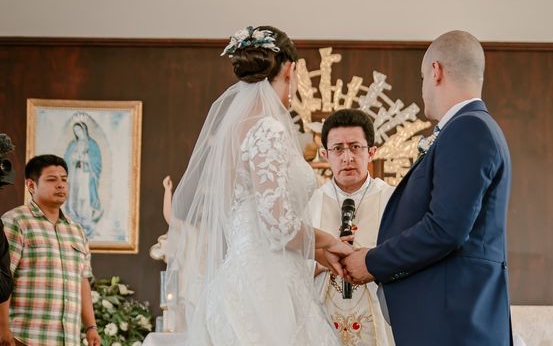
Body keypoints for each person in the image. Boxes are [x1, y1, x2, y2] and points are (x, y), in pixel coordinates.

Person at [165, 26, 351, 345]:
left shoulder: (233, 132)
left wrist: (317, 252)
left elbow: (248, 216)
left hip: (240, 278)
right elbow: (278, 227)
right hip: (269, 287)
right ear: (289, 69)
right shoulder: (269, 130)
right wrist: (329, 241)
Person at [343, 30, 513, 345]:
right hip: (454, 318)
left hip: (454, 323)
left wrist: (371, 261)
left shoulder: (468, 129)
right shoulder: (474, 127)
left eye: (422, 77)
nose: (422, 89)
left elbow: (445, 228)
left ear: (435, 71)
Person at [308, 109, 395, 346]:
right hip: (322, 315)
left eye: (355, 147)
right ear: (325, 154)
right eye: (338, 149)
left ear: (372, 152)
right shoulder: (311, 201)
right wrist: (322, 261)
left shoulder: (392, 199)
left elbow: (404, 255)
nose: (347, 157)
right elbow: (292, 260)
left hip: (378, 313)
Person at [0, 155, 100, 346]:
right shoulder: (15, 221)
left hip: (67, 339)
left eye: (64, 179)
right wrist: (3, 329)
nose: (61, 185)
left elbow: (82, 280)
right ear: (31, 185)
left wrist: (91, 327)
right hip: (24, 337)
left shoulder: (76, 230)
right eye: (52, 180)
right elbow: (3, 279)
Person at [64, 121, 103, 236]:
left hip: (86, 174)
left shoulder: (92, 144)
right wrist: (73, 158)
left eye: (79, 130)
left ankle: (85, 218)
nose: (77, 132)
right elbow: (66, 160)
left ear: (84, 130)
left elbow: (97, 161)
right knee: (74, 194)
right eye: (75, 131)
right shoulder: (72, 144)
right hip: (75, 173)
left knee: (84, 195)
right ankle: (74, 217)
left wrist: (86, 158)